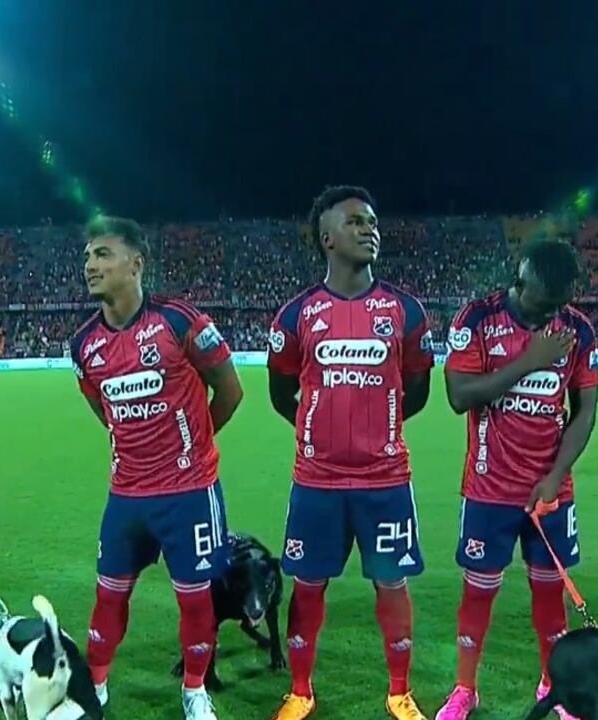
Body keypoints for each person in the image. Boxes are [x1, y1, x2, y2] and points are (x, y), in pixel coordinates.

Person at [267, 186, 435, 720]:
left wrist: (375, 427)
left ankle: (399, 692)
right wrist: (318, 432)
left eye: (372, 221)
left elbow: (417, 390)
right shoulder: (296, 315)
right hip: (316, 482)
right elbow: (281, 393)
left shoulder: (405, 311)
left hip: (385, 481)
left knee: (392, 582)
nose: (369, 230)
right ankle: (300, 691)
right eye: (356, 222)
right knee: (308, 585)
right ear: (327, 238)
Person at [69, 216, 244, 720]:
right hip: (126, 495)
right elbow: (104, 409)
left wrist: (191, 448)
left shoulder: (179, 321)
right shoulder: (83, 344)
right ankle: (95, 687)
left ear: (136, 264)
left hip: (188, 493)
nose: (90, 265)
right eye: (87, 256)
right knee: (108, 595)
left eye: (103, 254)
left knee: (195, 600)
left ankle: (194, 690)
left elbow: (230, 392)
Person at [434, 238, 598, 720]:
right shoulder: (476, 320)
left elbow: (585, 411)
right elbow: (460, 396)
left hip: (551, 494)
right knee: (478, 593)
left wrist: (556, 476)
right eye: (541, 304)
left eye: (557, 306)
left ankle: (553, 685)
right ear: (519, 281)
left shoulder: (577, 330)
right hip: (489, 490)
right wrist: (530, 361)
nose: (549, 315)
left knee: (550, 596)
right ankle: (465, 690)